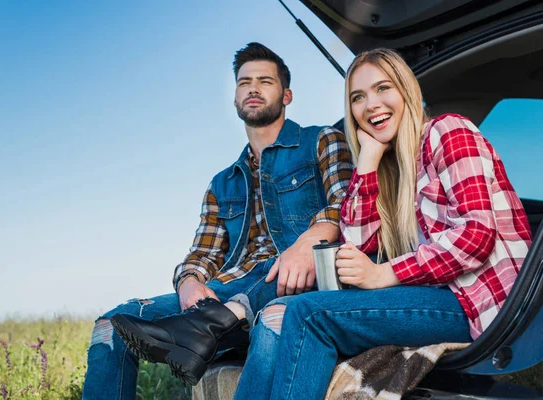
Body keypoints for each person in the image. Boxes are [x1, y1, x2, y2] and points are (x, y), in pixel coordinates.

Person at [232, 48, 533, 400]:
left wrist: (383, 274)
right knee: (273, 317)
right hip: (440, 296)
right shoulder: (393, 169)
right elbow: (356, 243)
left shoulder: (448, 131)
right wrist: (368, 162)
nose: (371, 104)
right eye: (358, 97)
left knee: (309, 315)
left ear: (406, 90)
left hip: (484, 301)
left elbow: (476, 235)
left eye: (383, 88)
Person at [81, 42, 353, 399]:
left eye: (265, 81)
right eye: (244, 82)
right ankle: (207, 324)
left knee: (273, 310)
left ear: (286, 95)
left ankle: (206, 328)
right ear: (235, 99)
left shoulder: (322, 140)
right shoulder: (222, 182)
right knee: (110, 327)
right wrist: (189, 282)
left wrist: (307, 242)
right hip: (227, 290)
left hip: (300, 280)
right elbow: (202, 253)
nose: (253, 88)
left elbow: (349, 203)